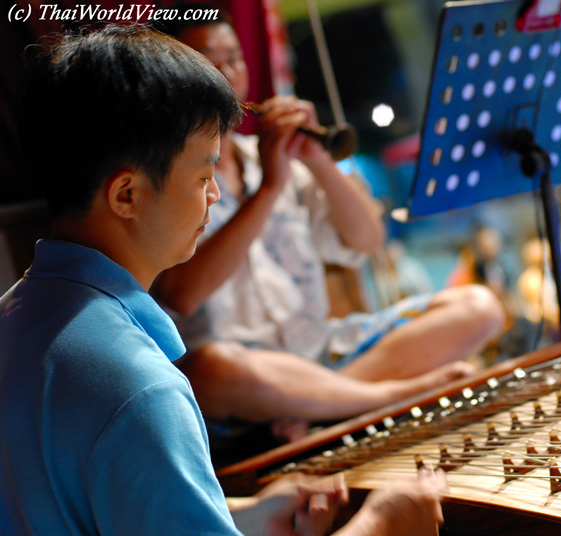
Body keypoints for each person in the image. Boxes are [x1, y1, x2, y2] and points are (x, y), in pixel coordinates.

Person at [0, 24, 448, 535]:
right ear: (126, 195)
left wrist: (244, 514)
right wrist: (385, 524)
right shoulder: (138, 387)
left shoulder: (15, 317)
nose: (214, 194)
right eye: (202, 175)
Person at [154, 11, 506, 432]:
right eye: (211, 61)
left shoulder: (276, 156)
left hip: (324, 352)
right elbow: (182, 295)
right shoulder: (168, 177)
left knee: (479, 307)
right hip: (248, 371)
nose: (229, 73)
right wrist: (268, 189)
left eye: (235, 58)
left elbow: (368, 239)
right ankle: (380, 398)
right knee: (210, 368)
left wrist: (317, 158)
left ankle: (317, 407)